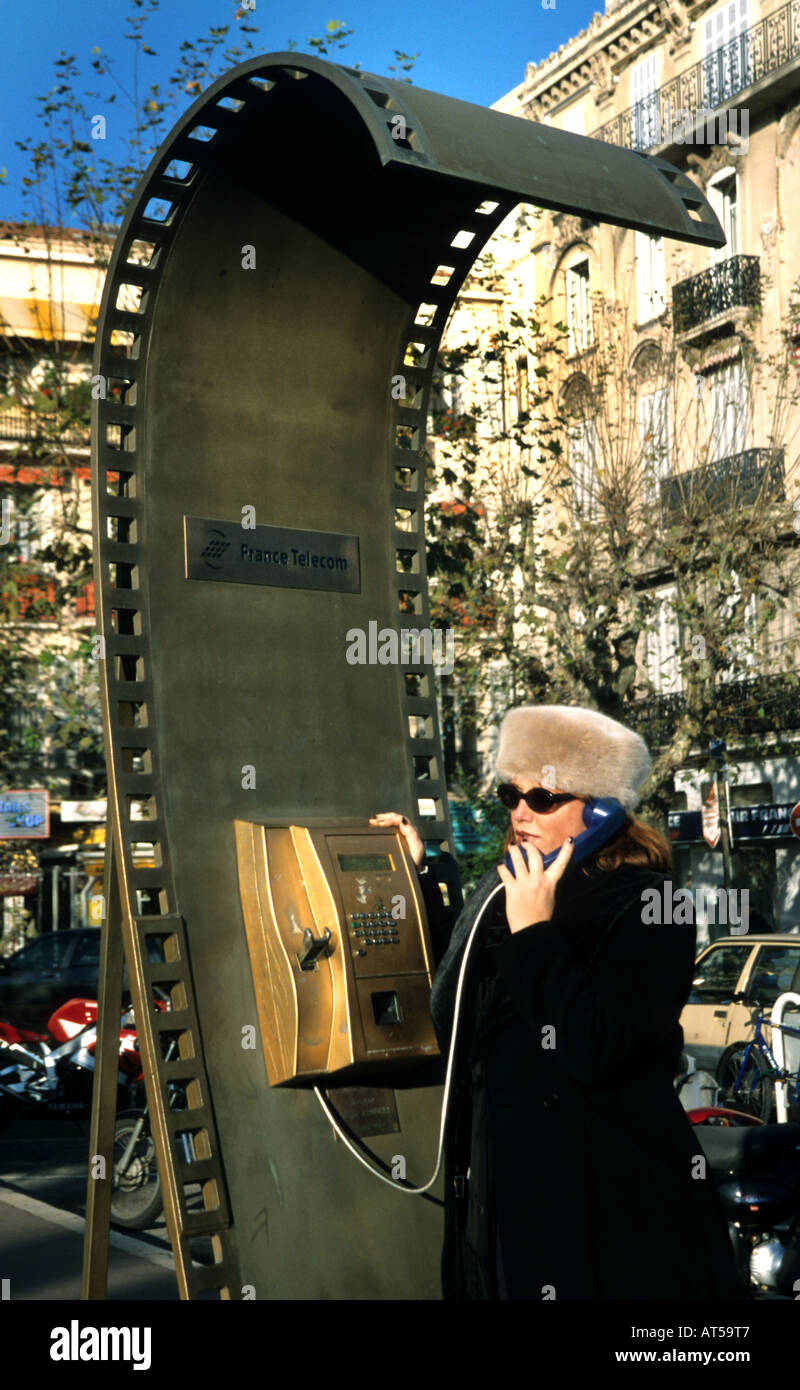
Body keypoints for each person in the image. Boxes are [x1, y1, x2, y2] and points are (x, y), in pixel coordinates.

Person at [371, 703, 742, 1301]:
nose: (520, 812)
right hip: (504, 1203)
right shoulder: (512, 891)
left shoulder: (651, 904)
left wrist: (537, 936)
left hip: (606, 1220)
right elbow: (463, 997)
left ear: (598, 807)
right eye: (508, 795)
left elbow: (597, 1048)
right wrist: (414, 882)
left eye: (543, 796)